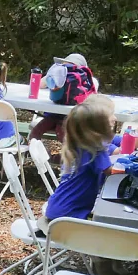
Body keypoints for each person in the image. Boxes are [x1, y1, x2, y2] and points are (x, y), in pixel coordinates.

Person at [43, 95, 119, 223]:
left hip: (56, 210)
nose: (114, 118)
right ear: (98, 127)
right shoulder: (95, 149)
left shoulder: (77, 145)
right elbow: (111, 172)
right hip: (69, 216)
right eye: (110, 115)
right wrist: (132, 168)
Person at [29, 52, 97, 141]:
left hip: (52, 114)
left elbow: (39, 84)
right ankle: (68, 154)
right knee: (62, 134)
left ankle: (32, 149)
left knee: (37, 131)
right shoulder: (88, 79)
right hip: (72, 116)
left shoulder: (59, 74)